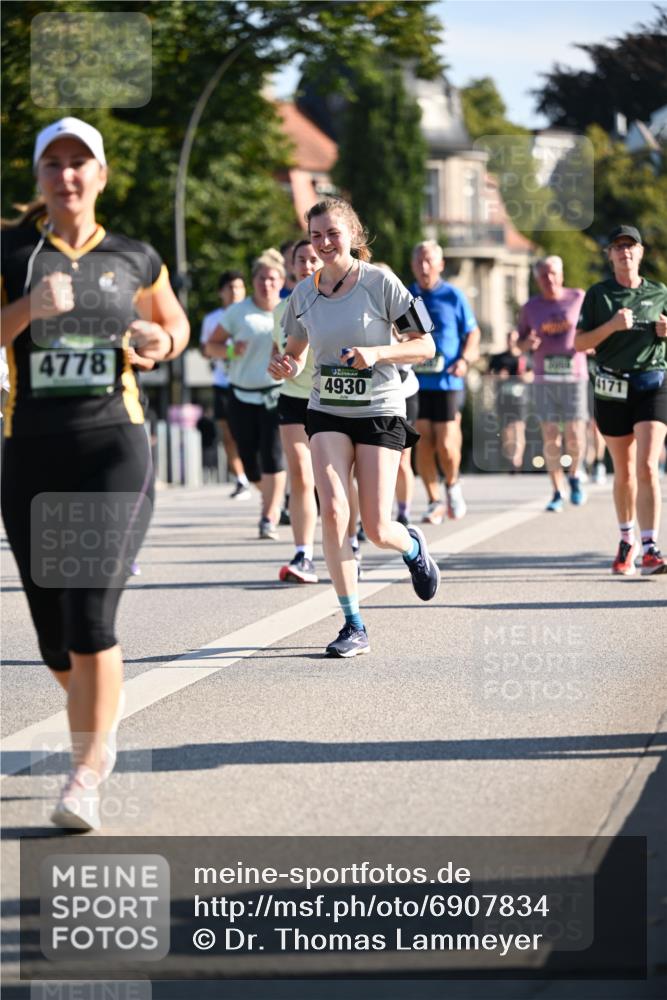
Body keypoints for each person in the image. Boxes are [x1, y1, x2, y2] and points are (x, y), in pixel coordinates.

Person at [0, 117, 189, 830]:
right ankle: (98, 715)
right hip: (31, 454)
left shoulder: (134, 257)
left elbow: (174, 326)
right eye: (55, 162)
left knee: (88, 617)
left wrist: (158, 340)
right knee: (55, 638)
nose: (68, 174)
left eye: (81, 162)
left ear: (100, 176)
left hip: (114, 448)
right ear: (40, 177)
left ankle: (86, 769)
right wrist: (27, 309)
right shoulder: (12, 252)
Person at [269, 197, 441, 658]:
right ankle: (353, 623)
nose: (323, 243)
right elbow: (297, 349)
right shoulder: (303, 294)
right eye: (315, 235)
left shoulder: (380, 283)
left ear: (353, 234)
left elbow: (424, 346)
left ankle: (411, 546)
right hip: (327, 409)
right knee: (333, 512)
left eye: (332, 233)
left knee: (379, 525)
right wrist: (284, 363)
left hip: (381, 408)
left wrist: (378, 354)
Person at [575, 225, 667, 575]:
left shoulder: (659, 291)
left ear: (641, 252)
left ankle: (651, 547)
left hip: (652, 382)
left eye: (630, 246)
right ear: (610, 255)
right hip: (611, 385)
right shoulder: (599, 295)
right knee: (625, 470)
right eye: (618, 247)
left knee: (646, 465)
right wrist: (611, 326)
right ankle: (626, 540)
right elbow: (580, 344)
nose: (624, 252)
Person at [203, 249, 286, 539]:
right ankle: (274, 496)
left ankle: (270, 514)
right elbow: (210, 347)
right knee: (250, 463)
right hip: (241, 394)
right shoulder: (238, 312)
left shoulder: (288, 309)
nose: (266, 284)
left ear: (282, 280)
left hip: (276, 394)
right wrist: (229, 350)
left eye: (272, 278)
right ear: (254, 281)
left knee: (273, 455)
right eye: (261, 278)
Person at [410, 240, 480, 523]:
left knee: (448, 443)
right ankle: (433, 499)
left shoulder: (453, 296)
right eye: (419, 262)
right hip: (416, 382)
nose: (424, 267)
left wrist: (465, 359)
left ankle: (452, 485)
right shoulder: (407, 296)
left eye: (429, 261)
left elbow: (472, 334)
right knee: (423, 439)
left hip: (448, 380)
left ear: (440, 265)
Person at [518, 256, 588, 511]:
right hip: (543, 377)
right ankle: (557, 491)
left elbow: (592, 328)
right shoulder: (530, 307)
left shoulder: (578, 297)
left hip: (574, 376)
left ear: (562, 274)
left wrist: (591, 345)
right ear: (537, 279)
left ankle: (575, 474)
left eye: (553, 273)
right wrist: (527, 345)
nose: (549, 279)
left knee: (574, 434)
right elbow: (519, 342)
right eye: (544, 275)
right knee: (550, 435)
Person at [273, 239, 322, 582]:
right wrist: (277, 366)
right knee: (301, 475)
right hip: (292, 397)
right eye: (300, 260)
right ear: (291, 267)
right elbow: (275, 354)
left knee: (336, 481)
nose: (306, 265)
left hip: (331, 399)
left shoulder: (339, 304)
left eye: (313, 260)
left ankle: (350, 543)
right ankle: (304, 554)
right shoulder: (280, 310)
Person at [199, 269, 249, 497]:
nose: (235, 292)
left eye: (239, 287)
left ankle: (256, 472)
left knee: (250, 434)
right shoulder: (212, 319)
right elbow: (205, 349)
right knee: (227, 434)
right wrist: (229, 350)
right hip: (223, 382)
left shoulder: (252, 314)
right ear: (221, 292)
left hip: (250, 382)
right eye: (230, 287)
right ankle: (240, 479)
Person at [488, 330, 534, 473]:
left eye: (514, 339)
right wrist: (498, 376)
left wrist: (523, 377)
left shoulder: (525, 358)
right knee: (507, 430)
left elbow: (532, 376)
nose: (511, 342)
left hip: (520, 399)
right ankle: (510, 458)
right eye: (509, 339)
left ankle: (516, 459)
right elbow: (488, 375)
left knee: (519, 428)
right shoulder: (498, 358)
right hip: (503, 399)